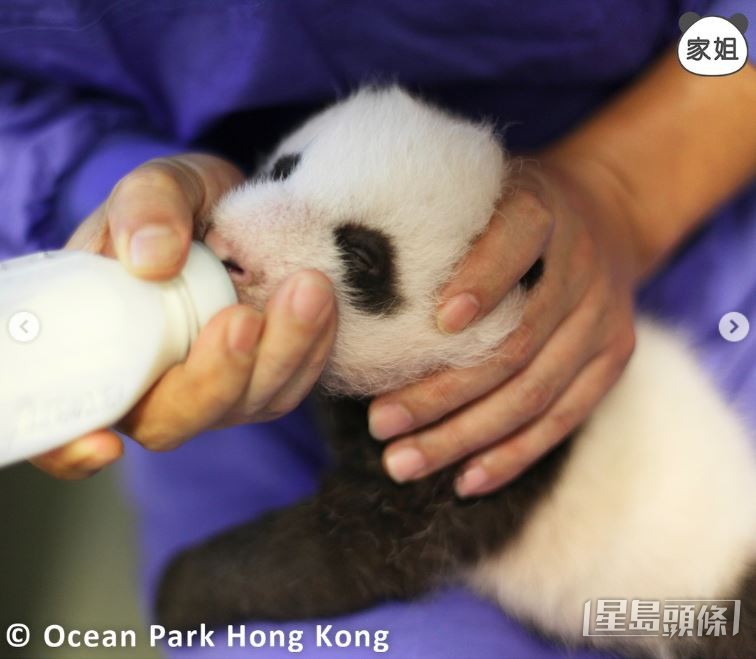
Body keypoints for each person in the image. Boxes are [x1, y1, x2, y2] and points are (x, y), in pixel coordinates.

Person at [1, 3, 754, 657]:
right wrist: (124, 213)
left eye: (359, 257)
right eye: (289, 167)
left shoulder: (480, 411)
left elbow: (366, 545)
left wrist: (621, 192)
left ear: (491, 308)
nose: (243, 231)